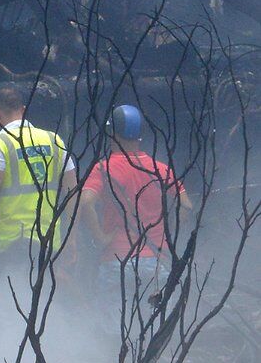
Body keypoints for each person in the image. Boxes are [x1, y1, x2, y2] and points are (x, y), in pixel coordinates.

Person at [80, 104, 191, 307]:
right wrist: (168, 234)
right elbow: (186, 205)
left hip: (117, 260)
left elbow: (86, 202)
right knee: (158, 328)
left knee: (113, 332)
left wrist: (100, 237)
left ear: (111, 133)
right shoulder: (160, 168)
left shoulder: (102, 169)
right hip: (156, 261)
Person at [0, 86, 76, 286]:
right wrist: (72, 238)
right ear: (23, 109)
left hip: (13, 241)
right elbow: (72, 193)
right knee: (46, 304)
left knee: (16, 303)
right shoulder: (54, 140)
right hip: (50, 238)